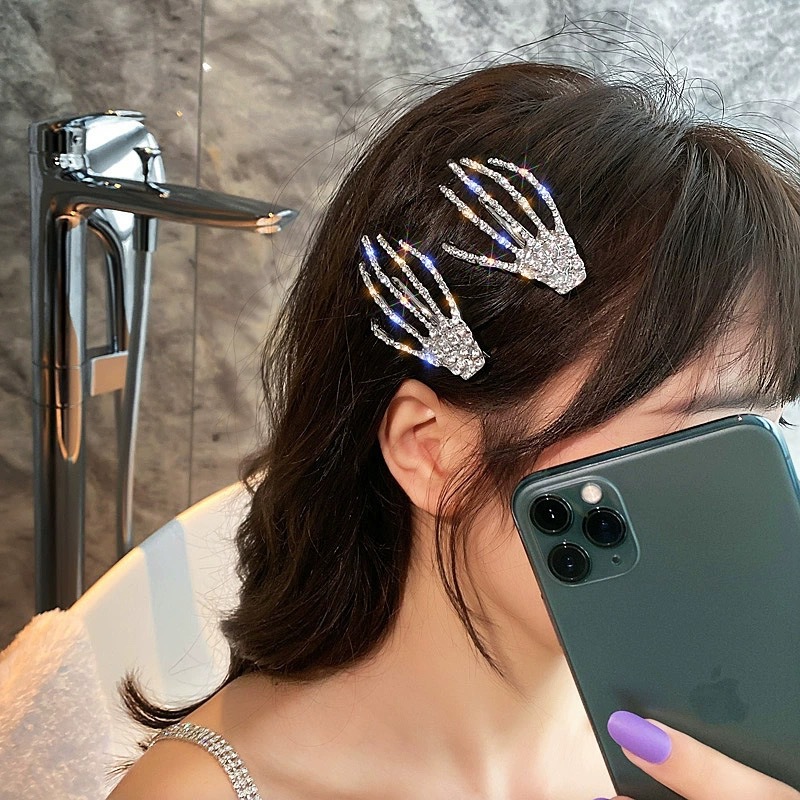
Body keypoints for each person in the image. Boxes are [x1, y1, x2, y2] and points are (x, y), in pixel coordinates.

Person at [108, 59, 800, 799]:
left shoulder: (730, 734)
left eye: (770, 426)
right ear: (432, 450)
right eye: (700, 436)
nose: (755, 509)